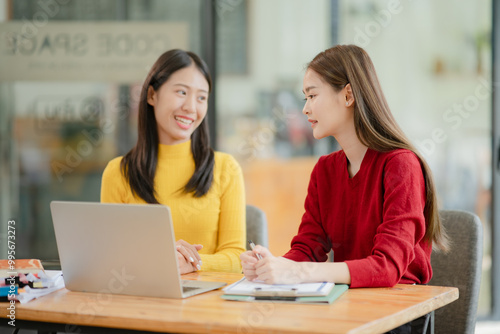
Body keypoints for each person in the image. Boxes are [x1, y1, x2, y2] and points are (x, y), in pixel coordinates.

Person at [241, 44, 449, 287]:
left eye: (312, 96)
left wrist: (298, 272)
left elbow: (387, 268)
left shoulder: (402, 165)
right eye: (305, 97)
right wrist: (272, 265)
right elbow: (308, 249)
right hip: (347, 302)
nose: (305, 109)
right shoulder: (325, 170)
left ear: (348, 95)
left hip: (398, 311)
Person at [101, 49, 246, 274]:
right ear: (152, 95)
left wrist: (189, 263)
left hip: (209, 303)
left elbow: (236, 257)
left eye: (201, 97)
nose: (191, 107)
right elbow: (110, 255)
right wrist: (164, 257)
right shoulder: (118, 172)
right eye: (181, 92)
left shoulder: (226, 168)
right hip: (142, 299)